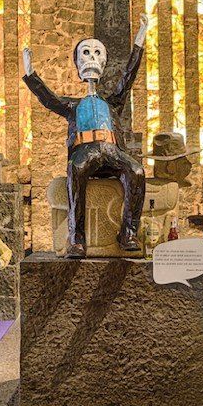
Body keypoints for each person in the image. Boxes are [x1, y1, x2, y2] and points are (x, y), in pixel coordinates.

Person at [21, 15, 149, 258]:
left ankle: (128, 233)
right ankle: (76, 239)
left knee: (137, 170)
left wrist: (139, 40)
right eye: (86, 53)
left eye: (97, 53)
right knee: (77, 167)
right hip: (85, 150)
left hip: (112, 151)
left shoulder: (112, 103)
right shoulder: (73, 106)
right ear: (77, 62)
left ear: (104, 61)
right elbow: (48, 99)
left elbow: (128, 77)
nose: (91, 59)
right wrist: (30, 74)